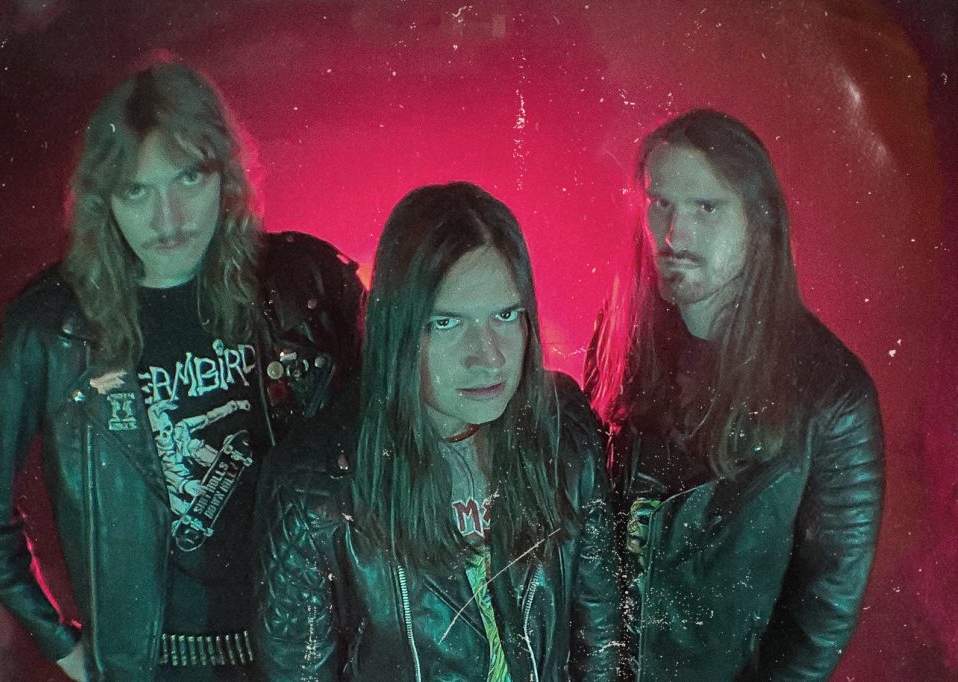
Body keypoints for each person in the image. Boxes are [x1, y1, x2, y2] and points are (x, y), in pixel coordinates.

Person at [0, 60, 363, 681]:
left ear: (225, 175)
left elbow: (391, 451)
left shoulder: (302, 285)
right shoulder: (54, 327)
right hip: (152, 669)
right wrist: (61, 645)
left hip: (304, 656)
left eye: (188, 178)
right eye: (136, 191)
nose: (168, 218)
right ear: (104, 200)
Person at [254, 181, 619, 681]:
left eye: (505, 315)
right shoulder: (313, 488)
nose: (487, 357)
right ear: (398, 329)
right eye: (447, 323)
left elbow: (601, 642)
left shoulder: (564, 427)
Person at [585, 108, 885, 681]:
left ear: (758, 220)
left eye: (706, 207)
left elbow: (821, 620)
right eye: (660, 203)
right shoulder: (623, 336)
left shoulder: (832, 393)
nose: (674, 235)